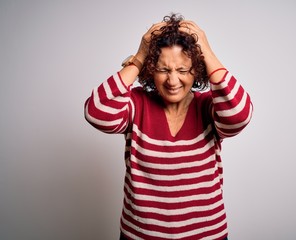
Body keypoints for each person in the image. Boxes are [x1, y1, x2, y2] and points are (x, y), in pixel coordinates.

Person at [84, 14, 253, 240]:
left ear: (197, 70)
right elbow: (96, 111)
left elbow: (239, 115)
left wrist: (209, 53)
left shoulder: (209, 108)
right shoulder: (136, 103)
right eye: (163, 70)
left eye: (183, 70)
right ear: (150, 70)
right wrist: (140, 56)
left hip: (207, 235)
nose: (173, 81)